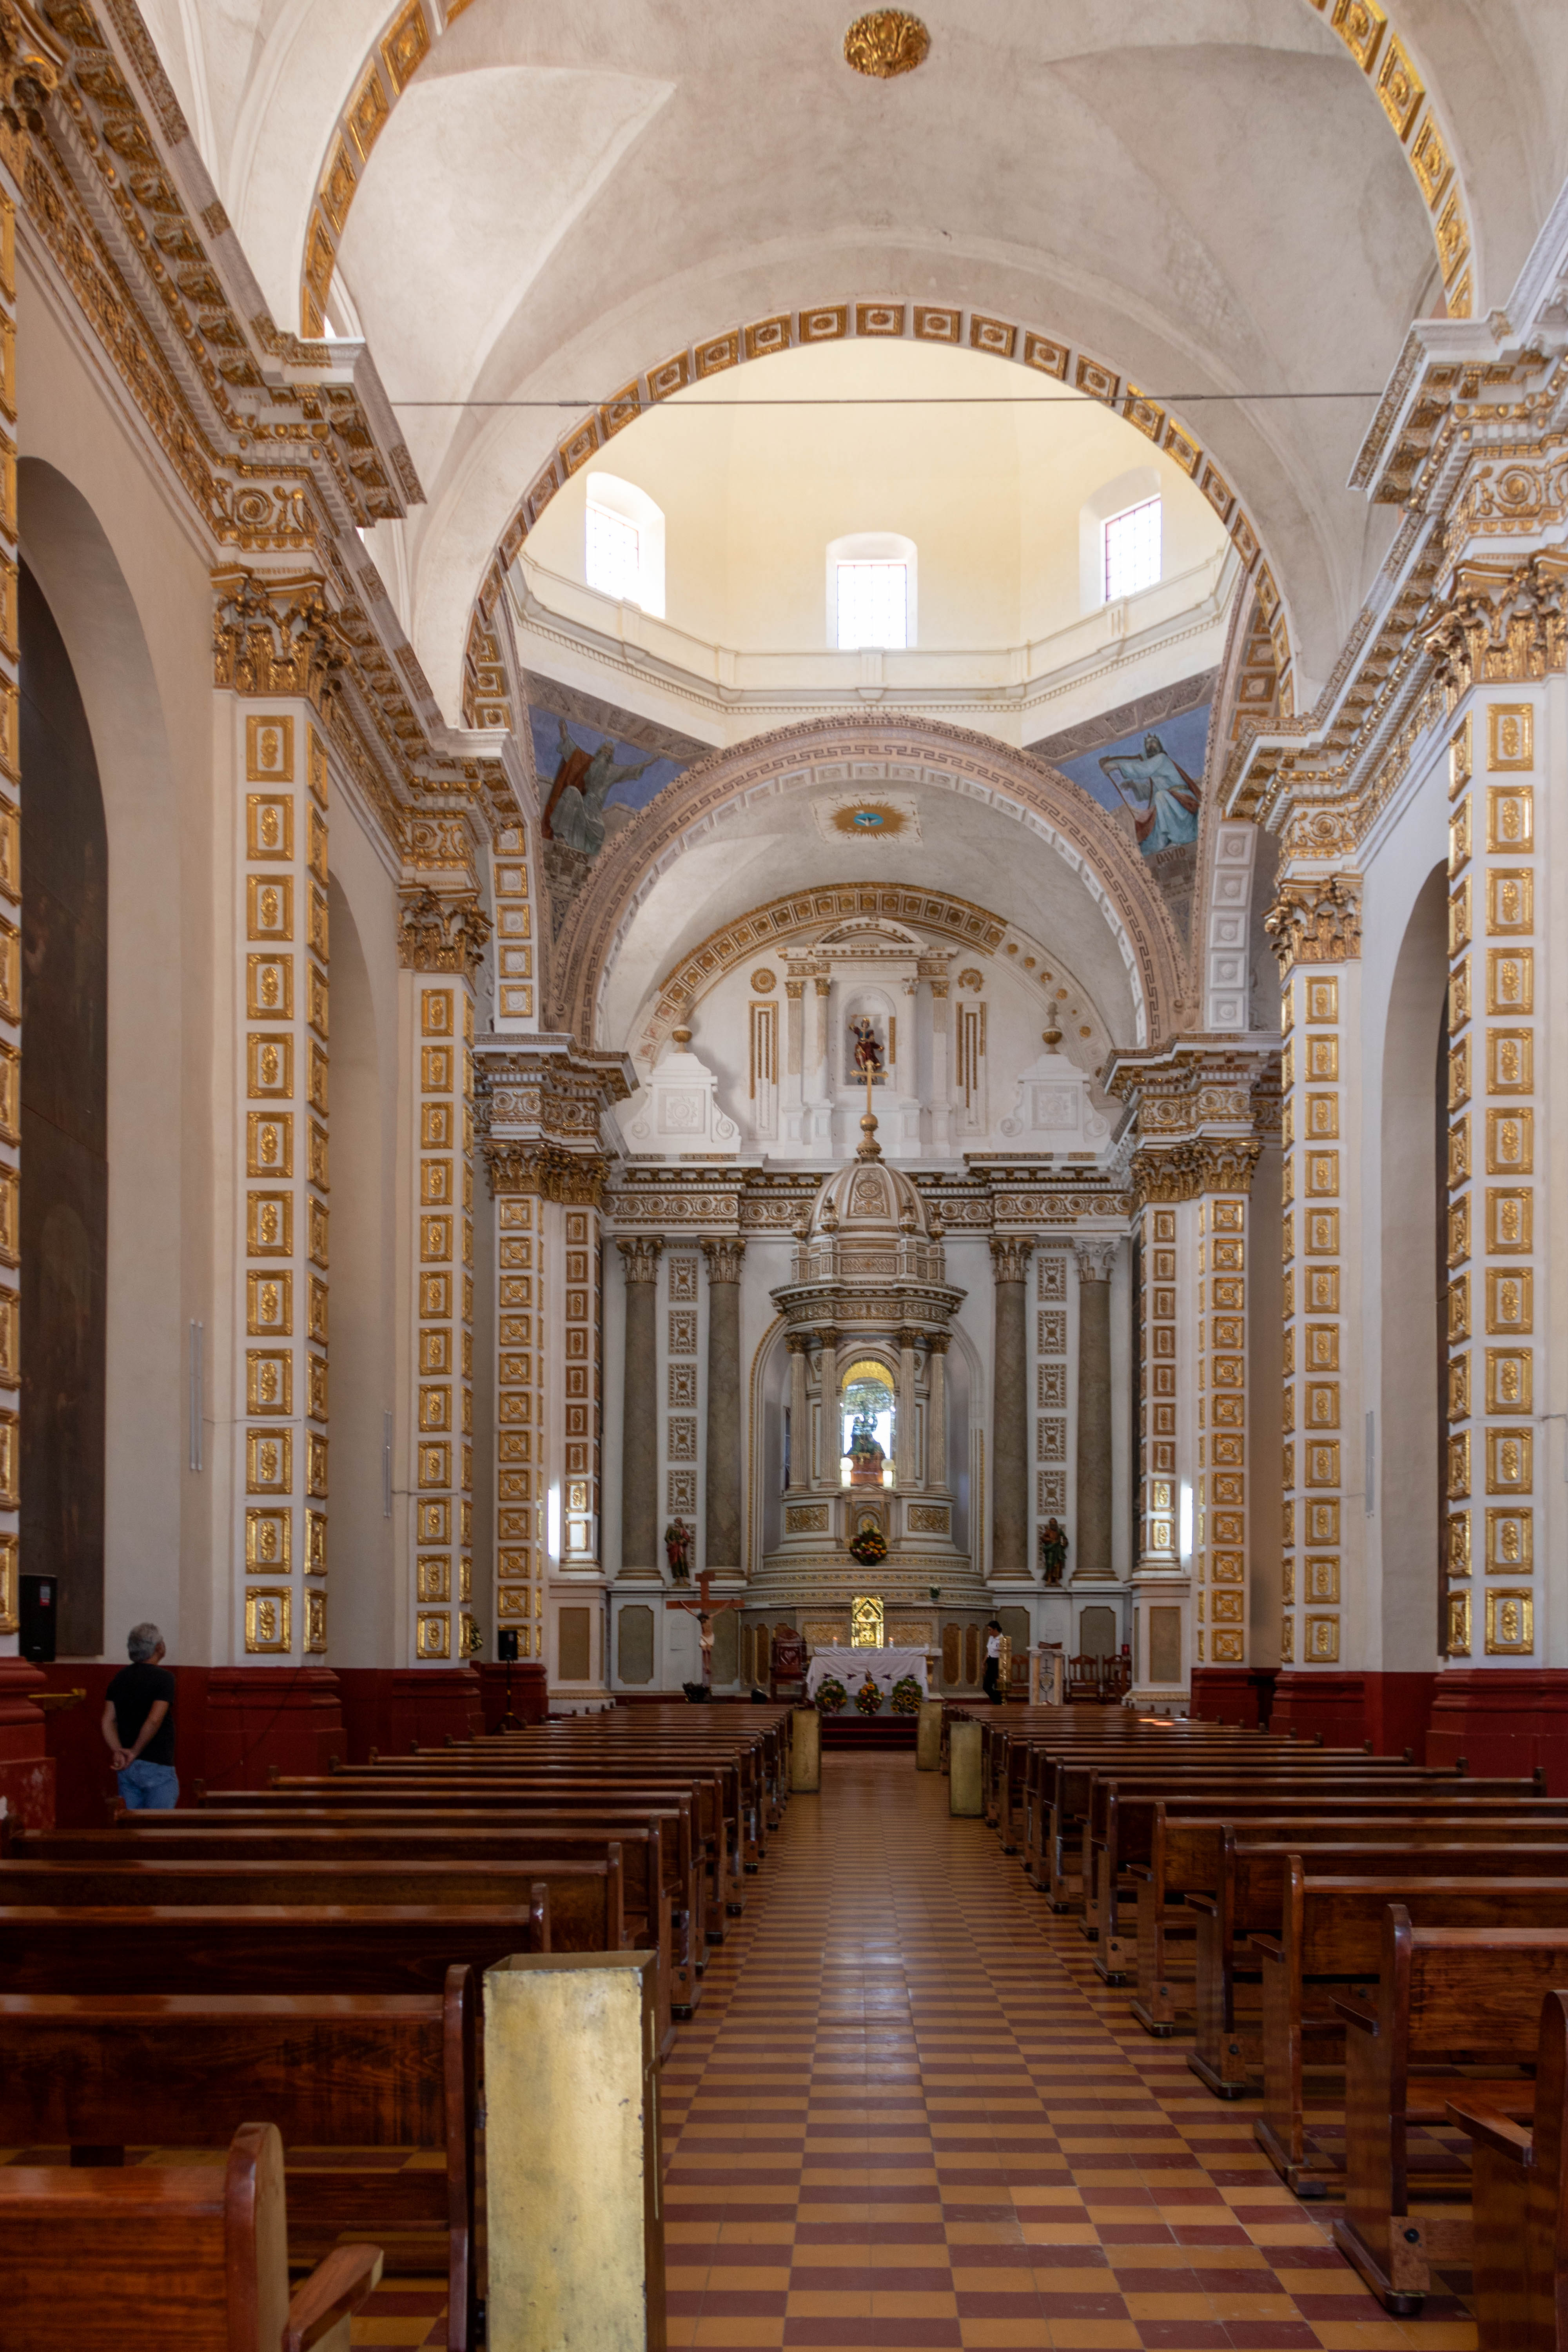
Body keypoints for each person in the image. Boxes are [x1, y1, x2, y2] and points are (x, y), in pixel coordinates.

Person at [102, 1621, 178, 1809]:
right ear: (159, 1647)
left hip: (127, 1767)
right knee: (157, 1830)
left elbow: (107, 1720)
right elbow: (154, 1720)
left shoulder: (119, 1678)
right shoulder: (165, 1678)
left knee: (131, 1829)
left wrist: (119, 1751)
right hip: (157, 1763)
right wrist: (135, 1751)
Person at [982, 1618, 1004, 1704]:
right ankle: (999, 1702)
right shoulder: (991, 1638)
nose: (989, 1632)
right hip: (990, 1662)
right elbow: (989, 1652)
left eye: (990, 1630)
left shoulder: (1002, 1640)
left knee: (998, 1687)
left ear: (995, 1629)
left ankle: (998, 1705)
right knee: (986, 1686)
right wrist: (984, 1663)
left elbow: (1006, 1654)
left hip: (998, 1664)